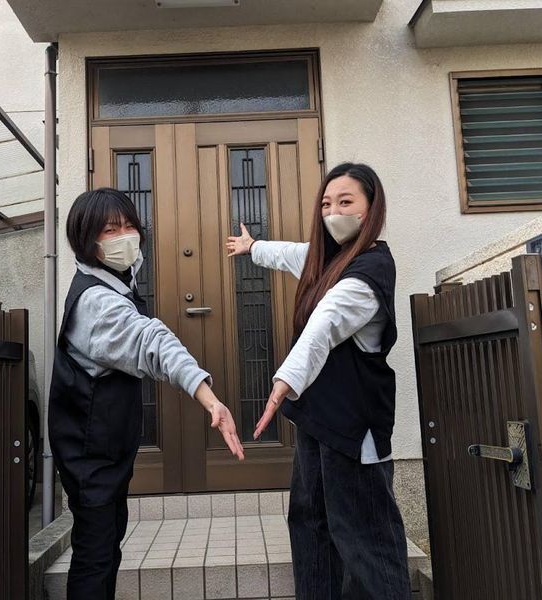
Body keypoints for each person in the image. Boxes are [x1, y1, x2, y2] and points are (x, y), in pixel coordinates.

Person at [50, 188, 245, 600]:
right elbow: (152, 342)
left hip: (101, 449)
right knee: (96, 554)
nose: (125, 236)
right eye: (110, 230)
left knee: (105, 543)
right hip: (90, 453)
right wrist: (209, 398)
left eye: (129, 226)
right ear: (87, 240)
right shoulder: (98, 303)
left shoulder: (115, 279)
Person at [227, 163, 411, 600]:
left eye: (346, 202)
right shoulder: (329, 258)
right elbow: (293, 254)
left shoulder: (370, 271)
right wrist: (253, 247)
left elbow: (324, 324)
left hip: (353, 428)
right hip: (317, 422)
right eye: (326, 203)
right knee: (310, 525)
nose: (333, 212)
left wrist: (283, 382)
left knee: (364, 537)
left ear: (371, 209)